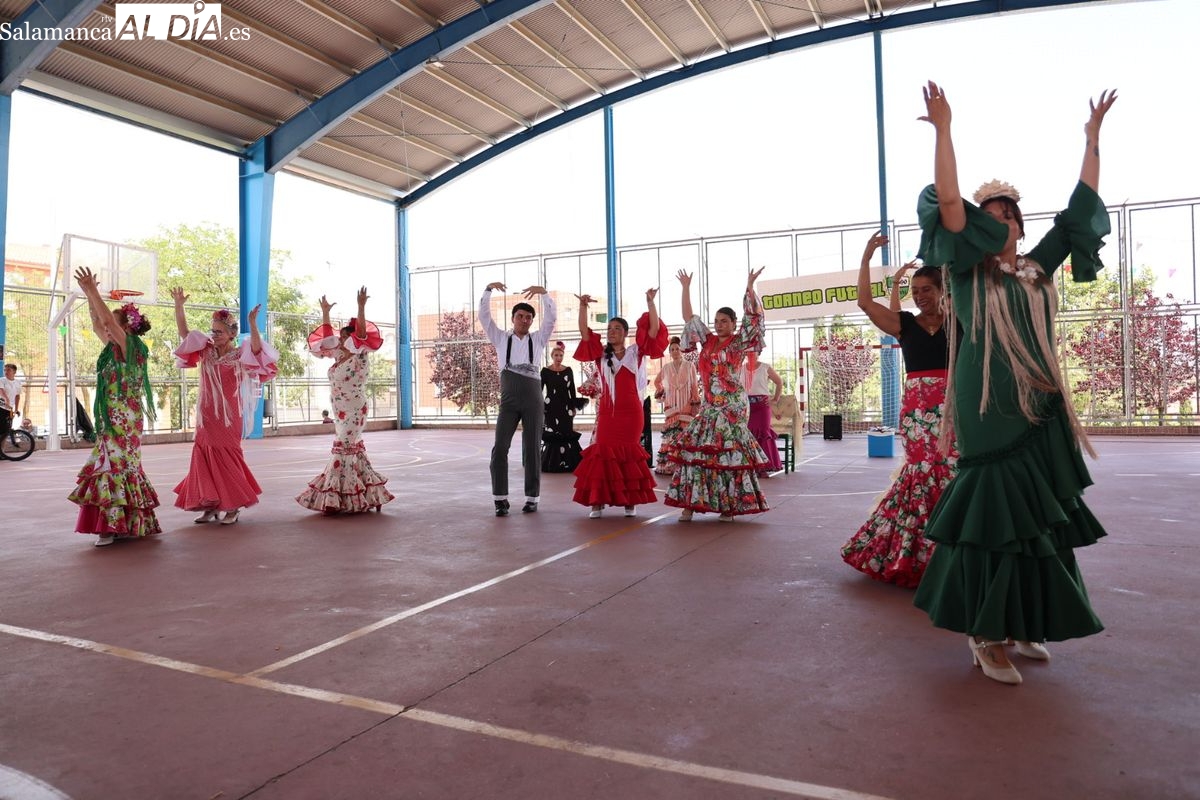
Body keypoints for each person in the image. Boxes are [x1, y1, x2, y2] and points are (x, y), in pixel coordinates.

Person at [910, 81, 1117, 685]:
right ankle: (985, 632)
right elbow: (950, 203)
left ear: (1021, 228)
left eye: (1009, 216)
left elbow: (1080, 208)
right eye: (991, 215)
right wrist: (945, 131)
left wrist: (1092, 140)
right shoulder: (965, 273)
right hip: (989, 410)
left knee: (1039, 519)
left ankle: (1024, 618)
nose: (1001, 221)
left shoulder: (1035, 269)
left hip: (1041, 407)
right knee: (995, 518)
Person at [840, 233, 959, 587]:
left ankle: (956, 554)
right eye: (915, 290)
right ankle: (917, 556)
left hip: (955, 407)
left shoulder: (961, 320)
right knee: (922, 474)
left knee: (954, 472)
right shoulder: (904, 323)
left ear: (943, 290)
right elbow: (864, 302)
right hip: (918, 413)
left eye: (927, 289)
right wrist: (866, 258)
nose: (920, 296)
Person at [664, 268, 770, 522]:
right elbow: (689, 318)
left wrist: (749, 286)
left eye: (724, 321)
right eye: (716, 321)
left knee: (729, 454)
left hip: (732, 406)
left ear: (733, 324)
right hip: (710, 404)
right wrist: (686, 288)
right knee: (698, 450)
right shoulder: (708, 341)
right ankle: (690, 504)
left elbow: (753, 317)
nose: (719, 324)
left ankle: (728, 506)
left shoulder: (739, 342)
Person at [67, 267, 160, 546]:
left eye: (114, 326)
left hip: (125, 421)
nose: (107, 329)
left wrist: (95, 291)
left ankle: (110, 527)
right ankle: (120, 523)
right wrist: (87, 293)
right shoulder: (111, 349)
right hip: (111, 420)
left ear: (126, 328)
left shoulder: (133, 347)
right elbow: (99, 322)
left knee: (115, 466)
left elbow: (106, 319)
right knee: (112, 465)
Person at [171, 288, 279, 525]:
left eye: (219, 332)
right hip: (206, 416)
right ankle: (209, 505)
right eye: (213, 331)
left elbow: (258, 350)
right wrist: (179, 306)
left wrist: (252, 323)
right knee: (204, 457)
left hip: (229, 418)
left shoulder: (241, 355)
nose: (215, 335)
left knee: (228, 458)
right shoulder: (206, 350)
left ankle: (233, 507)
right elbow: (185, 333)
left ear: (232, 334)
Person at [297, 288, 396, 514]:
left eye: (344, 337)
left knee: (344, 448)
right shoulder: (340, 355)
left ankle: (336, 496)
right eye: (341, 337)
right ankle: (370, 494)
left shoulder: (360, 355)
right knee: (351, 449)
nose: (340, 341)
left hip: (354, 410)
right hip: (340, 410)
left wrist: (361, 306)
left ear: (353, 339)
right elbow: (326, 340)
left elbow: (361, 333)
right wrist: (325, 313)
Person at [571, 289, 667, 517]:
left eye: (617, 328)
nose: (611, 332)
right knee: (602, 453)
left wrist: (650, 303)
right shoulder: (600, 355)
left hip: (632, 413)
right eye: (609, 329)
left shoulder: (636, 352)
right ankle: (597, 503)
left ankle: (629, 502)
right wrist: (583, 307)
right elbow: (584, 331)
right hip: (608, 413)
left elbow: (653, 330)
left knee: (628, 455)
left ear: (625, 333)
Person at [479, 282, 557, 516]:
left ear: (532, 321)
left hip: (533, 400)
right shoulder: (501, 338)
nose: (524, 320)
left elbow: (551, 318)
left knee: (532, 448)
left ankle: (532, 498)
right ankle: (500, 499)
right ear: (513, 318)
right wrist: (487, 291)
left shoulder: (539, 339)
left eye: (528, 317)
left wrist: (545, 294)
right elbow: (484, 318)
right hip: (509, 401)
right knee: (500, 447)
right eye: (520, 316)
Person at [652, 337, 700, 475]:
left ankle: (685, 465)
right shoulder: (666, 367)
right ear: (670, 352)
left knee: (685, 433)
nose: (674, 351)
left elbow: (694, 385)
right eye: (672, 349)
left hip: (686, 403)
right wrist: (662, 391)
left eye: (677, 349)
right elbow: (656, 381)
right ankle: (670, 466)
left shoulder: (690, 366)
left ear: (681, 350)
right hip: (671, 404)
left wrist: (695, 402)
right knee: (672, 435)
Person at [540, 341, 584, 473]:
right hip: (551, 407)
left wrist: (573, 406)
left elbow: (572, 390)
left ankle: (568, 462)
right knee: (553, 431)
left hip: (566, 407)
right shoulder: (545, 371)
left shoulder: (568, 370)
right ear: (552, 356)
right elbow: (539, 390)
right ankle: (553, 462)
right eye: (556, 355)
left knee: (566, 431)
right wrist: (540, 406)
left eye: (561, 355)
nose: (559, 358)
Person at [742, 359, 783, 476]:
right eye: (747, 351)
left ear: (758, 352)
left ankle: (764, 467)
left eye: (754, 351)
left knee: (763, 433)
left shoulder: (765, 367)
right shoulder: (741, 368)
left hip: (762, 406)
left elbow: (779, 382)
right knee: (749, 434)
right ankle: (751, 466)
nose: (750, 353)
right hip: (746, 406)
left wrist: (775, 399)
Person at [0, 363, 22, 443]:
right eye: (5, 370)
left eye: (8, 370)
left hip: (9, 409)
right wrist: (6, 399)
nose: (6, 372)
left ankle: (2, 450)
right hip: (1, 406)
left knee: (6, 431)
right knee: (1, 430)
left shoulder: (18, 382)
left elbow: (17, 396)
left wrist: (16, 409)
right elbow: (1, 391)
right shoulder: (2, 380)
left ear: (14, 372)